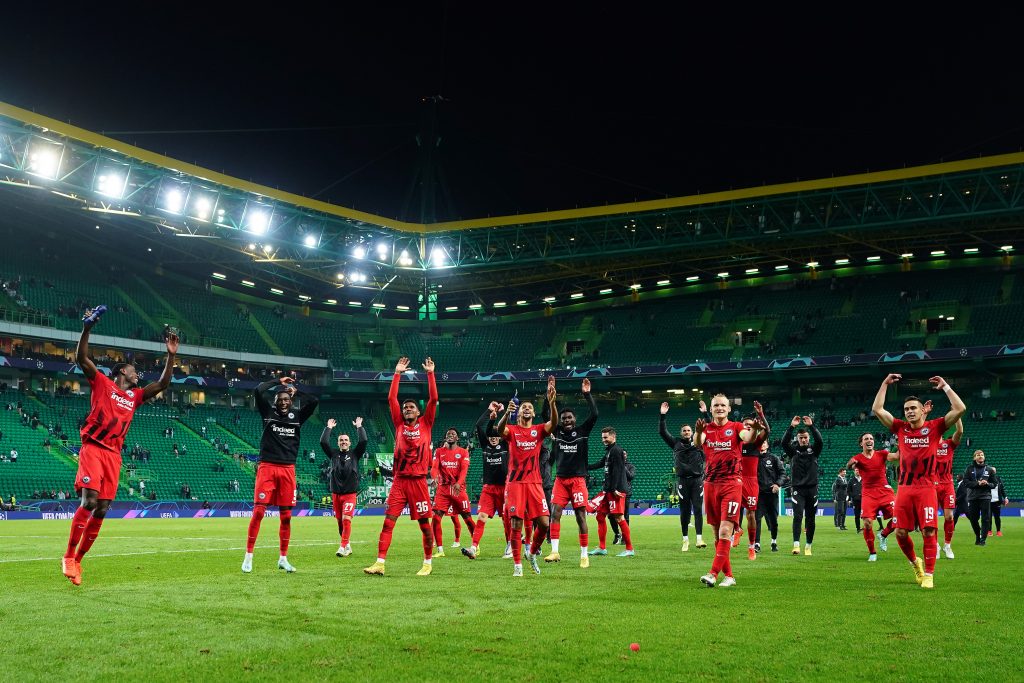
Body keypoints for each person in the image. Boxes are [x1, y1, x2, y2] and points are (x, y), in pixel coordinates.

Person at [62, 306, 178, 586]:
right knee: (88, 502)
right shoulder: (102, 383)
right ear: (121, 372)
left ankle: (79, 561)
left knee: (102, 508)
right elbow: (81, 357)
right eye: (134, 370)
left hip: (114, 456)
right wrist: (87, 328)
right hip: (93, 448)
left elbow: (162, 383)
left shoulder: (136, 396)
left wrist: (171, 356)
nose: (138, 374)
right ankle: (68, 555)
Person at [872, 373, 966, 589]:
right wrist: (884, 383)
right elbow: (878, 409)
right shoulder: (900, 428)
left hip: (926, 488)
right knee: (901, 532)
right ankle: (916, 564)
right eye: (906, 409)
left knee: (929, 531)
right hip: (904, 489)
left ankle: (930, 575)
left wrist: (946, 387)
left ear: (923, 410)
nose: (910, 412)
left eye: (913, 408)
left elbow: (960, 409)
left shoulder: (935, 427)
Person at [364, 357, 438, 577]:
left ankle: (427, 563)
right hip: (399, 481)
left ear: (418, 412)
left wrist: (430, 374)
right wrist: (397, 374)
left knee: (425, 526)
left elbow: (434, 399)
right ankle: (379, 563)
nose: (407, 409)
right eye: (405, 407)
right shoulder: (397, 424)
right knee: (388, 522)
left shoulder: (426, 423)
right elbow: (391, 398)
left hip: (418, 482)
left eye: (411, 407)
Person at [242, 373, 319, 573]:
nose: (284, 402)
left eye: (287, 399)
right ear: (275, 402)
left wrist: (297, 390)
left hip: (288, 469)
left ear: (291, 401)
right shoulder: (267, 412)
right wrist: (279, 382)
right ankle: (248, 556)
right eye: (280, 400)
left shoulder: (298, 416)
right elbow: (258, 390)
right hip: (267, 467)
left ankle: (283, 558)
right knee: (258, 512)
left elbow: (314, 400)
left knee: (286, 517)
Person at [493, 377, 558, 577]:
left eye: (530, 407)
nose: (527, 409)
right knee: (516, 524)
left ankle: (531, 553)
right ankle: (517, 565)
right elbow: (498, 429)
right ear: (519, 411)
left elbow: (553, 424)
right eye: (524, 407)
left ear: (534, 412)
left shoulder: (538, 431)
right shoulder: (512, 430)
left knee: (545, 524)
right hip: (515, 483)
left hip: (535, 483)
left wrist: (552, 402)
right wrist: (506, 413)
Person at [696, 393, 758, 588]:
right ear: (711, 409)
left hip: (732, 484)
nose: (720, 408)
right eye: (716, 406)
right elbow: (698, 442)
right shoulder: (706, 428)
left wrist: (755, 430)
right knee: (716, 534)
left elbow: (748, 437)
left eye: (723, 405)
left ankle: (713, 573)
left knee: (725, 530)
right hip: (710, 484)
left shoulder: (736, 427)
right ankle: (729, 576)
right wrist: (698, 432)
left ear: (729, 409)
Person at [543, 379, 598, 567]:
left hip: (577, 481)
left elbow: (595, 414)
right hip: (560, 480)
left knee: (580, 516)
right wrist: (549, 394)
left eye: (569, 418)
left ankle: (584, 555)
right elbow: (545, 415)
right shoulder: (556, 431)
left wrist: (587, 394)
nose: (566, 420)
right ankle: (555, 551)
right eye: (564, 418)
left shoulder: (583, 431)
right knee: (555, 514)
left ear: (574, 419)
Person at [462, 402, 511, 560]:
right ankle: (474, 548)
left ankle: (510, 545)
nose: (494, 439)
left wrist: (505, 414)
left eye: (497, 436)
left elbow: (507, 430)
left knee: (506, 519)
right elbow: (478, 426)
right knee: (481, 516)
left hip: (505, 488)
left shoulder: (505, 444)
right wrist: (490, 412)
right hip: (488, 489)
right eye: (492, 436)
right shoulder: (485, 446)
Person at [659, 403, 705, 551]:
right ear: (681, 432)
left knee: (698, 509)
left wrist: (705, 413)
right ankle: (685, 539)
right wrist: (663, 416)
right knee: (684, 511)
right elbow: (662, 432)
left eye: (689, 430)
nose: (686, 432)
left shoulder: (699, 443)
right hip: (682, 481)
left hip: (697, 480)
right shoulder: (676, 443)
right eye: (684, 430)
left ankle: (699, 538)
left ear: (692, 432)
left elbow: (711, 430)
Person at [320, 416, 367, 557]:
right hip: (336, 494)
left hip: (350, 494)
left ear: (350, 443)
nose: (344, 442)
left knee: (347, 519)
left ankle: (342, 547)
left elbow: (363, 440)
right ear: (338, 443)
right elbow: (323, 442)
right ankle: (347, 544)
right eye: (341, 440)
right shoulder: (333, 454)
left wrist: (359, 426)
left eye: (346, 440)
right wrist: (328, 427)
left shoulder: (355, 454)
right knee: (340, 523)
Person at [430, 428, 476, 556]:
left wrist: (459, 483)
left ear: (457, 438)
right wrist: (434, 477)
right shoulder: (439, 451)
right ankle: (440, 550)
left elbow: (464, 470)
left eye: (453, 434)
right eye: (448, 434)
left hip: (458, 489)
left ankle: (475, 545)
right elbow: (434, 467)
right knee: (436, 518)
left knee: (467, 518)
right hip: (443, 489)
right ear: (446, 438)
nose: (450, 435)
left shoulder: (463, 452)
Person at [589, 427, 634, 557]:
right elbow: (601, 463)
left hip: (616, 490)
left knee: (619, 518)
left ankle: (629, 549)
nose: (603, 440)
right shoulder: (610, 451)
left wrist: (614, 488)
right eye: (602, 437)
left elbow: (619, 471)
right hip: (608, 490)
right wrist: (585, 467)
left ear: (613, 437)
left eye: (606, 437)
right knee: (600, 516)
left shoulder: (617, 451)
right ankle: (602, 547)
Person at [782, 415, 823, 556]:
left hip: (812, 489)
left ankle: (808, 546)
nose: (803, 439)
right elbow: (783, 443)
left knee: (810, 518)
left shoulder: (814, 451)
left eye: (805, 437)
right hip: (798, 489)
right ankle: (796, 545)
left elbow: (820, 440)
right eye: (801, 438)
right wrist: (791, 427)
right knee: (798, 516)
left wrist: (811, 426)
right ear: (797, 439)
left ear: (808, 438)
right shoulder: (793, 452)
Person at [737, 402, 769, 559]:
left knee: (751, 515)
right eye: (745, 425)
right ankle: (736, 530)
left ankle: (751, 546)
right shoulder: (736, 442)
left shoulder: (756, 443)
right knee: (730, 510)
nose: (748, 426)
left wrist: (761, 415)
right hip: (735, 480)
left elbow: (767, 431)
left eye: (750, 424)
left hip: (750, 481)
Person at [933, 417, 963, 558]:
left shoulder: (948, 444)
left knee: (949, 516)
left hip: (947, 485)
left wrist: (957, 415)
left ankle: (947, 545)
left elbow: (960, 431)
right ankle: (936, 546)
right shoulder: (927, 445)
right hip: (931, 485)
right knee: (931, 519)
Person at [754, 441, 785, 552]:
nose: (762, 444)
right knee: (756, 519)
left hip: (772, 494)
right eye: (760, 443)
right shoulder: (753, 458)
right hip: (759, 494)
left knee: (773, 521)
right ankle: (757, 544)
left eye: (764, 443)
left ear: (767, 445)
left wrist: (777, 484)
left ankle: (773, 542)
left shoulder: (773, 458)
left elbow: (782, 473)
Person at [963, 450, 997, 546]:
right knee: (973, 519)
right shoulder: (969, 469)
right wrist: (977, 483)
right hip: (973, 497)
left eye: (982, 455)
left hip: (985, 497)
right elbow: (966, 482)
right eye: (978, 455)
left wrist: (987, 484)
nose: (980, 456)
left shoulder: (989, 469)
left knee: (986, 519)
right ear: (974, 458)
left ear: (984, 457)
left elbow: (994, 484)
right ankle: (978, 536)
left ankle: (983, 540)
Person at [990, 468, 1008, 537]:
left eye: (994, 471)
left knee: (997, 517)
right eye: (992, 471)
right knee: (988, 517)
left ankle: (998, 531)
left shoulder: (998, 479)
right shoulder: (986, 479)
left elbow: (1002, 489)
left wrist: (1005, 497)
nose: (993, 472)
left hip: (997, 501)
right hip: (988, 501)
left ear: (995, 472)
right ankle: (989, 531)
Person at [848, 466, 863, 532]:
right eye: (856, 470)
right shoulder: (851, 481)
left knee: (865, 515)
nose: (858, 471)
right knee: (857, 515)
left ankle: (866, 527)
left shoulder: (864, 479)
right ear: (854, 471)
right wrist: (852, 497)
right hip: (855, 501)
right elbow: (848, 491)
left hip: (864, 500)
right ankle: (858, 528)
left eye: (859, 470)